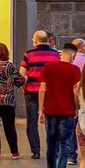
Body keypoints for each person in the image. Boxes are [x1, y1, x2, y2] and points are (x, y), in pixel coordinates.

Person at [38, 43, 81, 168]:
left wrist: (40, 110)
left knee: (51, 146)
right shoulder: (75, 70)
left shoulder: (48, 68)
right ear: (73, 55)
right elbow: (76, 91)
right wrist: (77, 107)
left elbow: (42, 88)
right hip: (67, 112)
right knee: (64, 146)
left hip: (50, 111)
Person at [20, 31, 60, 160]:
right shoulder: (55, 55)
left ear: (36, 40)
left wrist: (23, 87)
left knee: (32, 122)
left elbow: (22, 74)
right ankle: (53, 148)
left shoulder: (29, 54)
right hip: (50, 92)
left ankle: (35, 151)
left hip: (32, 91)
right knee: (51, 121)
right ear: (48, 40)